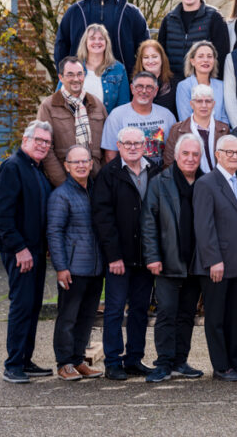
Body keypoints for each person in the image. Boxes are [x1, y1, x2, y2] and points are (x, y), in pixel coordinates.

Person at [93, 126, 161, 380]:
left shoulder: (154, 171)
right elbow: (103, 218)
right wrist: (113, 256)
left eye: (137, 144)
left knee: (140, 311)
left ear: (145, 146)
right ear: (118, 146)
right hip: (119, 258)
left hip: (146, 256)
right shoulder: (109, 174)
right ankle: (112, 361)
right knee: (114, 310)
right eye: (127, 143)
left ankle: (134, 359)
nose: (132, 148)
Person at [141, 133, 207, 383]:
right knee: (167, 313)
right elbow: (149, 222)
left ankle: (181, 361)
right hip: (168, 261)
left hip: (195, 263)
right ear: (176, 156)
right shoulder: (160, 183)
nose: (190, 159)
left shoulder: (205, 181)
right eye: (186, 154)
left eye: (195, 154)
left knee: (186, 315)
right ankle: (164, 363)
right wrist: (153, 257)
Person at [0, 121, 55, 383]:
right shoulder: (12, 167)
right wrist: (19, 248)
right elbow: (2, 216)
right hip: (21, 252)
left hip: (36, 251)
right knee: (22, 306)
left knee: (32, 306)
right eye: (38, 140)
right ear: (25, 140)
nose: (42, 145)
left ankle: (25, 360)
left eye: (46, 142)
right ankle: (13, 364)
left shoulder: (36, 170)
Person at [193, 134, 237, 381]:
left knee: (235, 317)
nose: (234, 156)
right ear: (217, 154)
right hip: (217, 264)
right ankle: (221, 367)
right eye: (229, 152)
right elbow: (204, 226)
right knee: (216, 318)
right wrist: (213, 260)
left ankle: (235, 362)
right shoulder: (207, 183)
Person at [48, 145, 104, 381]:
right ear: (67, 166)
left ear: (91, 163)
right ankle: (64, 363)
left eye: (85, 161)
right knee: (68, 317)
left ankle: (79, 359)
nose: (81, 165)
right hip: (72, 268)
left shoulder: (96, 190)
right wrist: (61, 268)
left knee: (87, 317)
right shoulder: (61, 195)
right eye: (76, 162)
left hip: (95, 268)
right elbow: (54, 232)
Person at [54, 0, 150, 75]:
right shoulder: (75, 12)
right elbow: (61, 46)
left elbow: (145, 50)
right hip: (81, 82)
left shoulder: (131, 13)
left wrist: (140, 78)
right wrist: (64, 74)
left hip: (122, 81)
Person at [38, 56, 108, 187]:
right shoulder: (48, 106)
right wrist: (63, 183)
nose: (76, 79)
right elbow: (46, 149)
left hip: (96, 183)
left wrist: (101, 179)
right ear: (61, 77)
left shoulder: (97, 104)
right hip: (64, 183)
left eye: (79, 74)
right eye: (70, 75)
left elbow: (107, 146)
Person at [157, 0, 230, 78]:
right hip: (174, 85)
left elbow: (222, 56)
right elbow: (161, 55)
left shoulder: (214, 17)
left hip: (204, 85)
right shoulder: (169, 20)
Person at [101, 71, 177, 166]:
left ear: (156, 91)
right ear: (132, 88)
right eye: (139, 87)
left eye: (149, 87)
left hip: (160, 176)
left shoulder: (167, 115)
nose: (144, 91)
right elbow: (110, 155)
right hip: (128, 176)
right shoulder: (117, 116)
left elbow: (173, 152)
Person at [163, 84, 230, 171]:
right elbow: (169, 162)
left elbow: (228, 161)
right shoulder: (177, 130)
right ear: (191, 104)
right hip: (187, 181)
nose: (204, 105)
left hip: (217, 181)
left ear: (213, 104)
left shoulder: (223, 130)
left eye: (208, 101)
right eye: (199, 101)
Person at [75, 24, 130, 114]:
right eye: (92, 38)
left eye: (101, 38)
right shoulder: (73, 66)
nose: (97, 42)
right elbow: (59, 99)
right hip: (76, 125)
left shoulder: (118, 69)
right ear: (85, 42)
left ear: (106, 43)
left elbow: (123, 105)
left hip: (107, 125)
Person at [176, 41, 228, 125]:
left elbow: (224, 118)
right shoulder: (183, 86)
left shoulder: (221, 86)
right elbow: (185, 119)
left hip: (219, 135)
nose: (205, 60)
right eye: (200, 56)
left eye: (209, 56)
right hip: (192, 135)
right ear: (192, 61)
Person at [133, 40, 177, 118]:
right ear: (141, 61)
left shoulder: (175, 83)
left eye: (154, 57)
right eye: (146, 57)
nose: (150, 61)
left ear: (162, 58)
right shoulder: (134, 82)